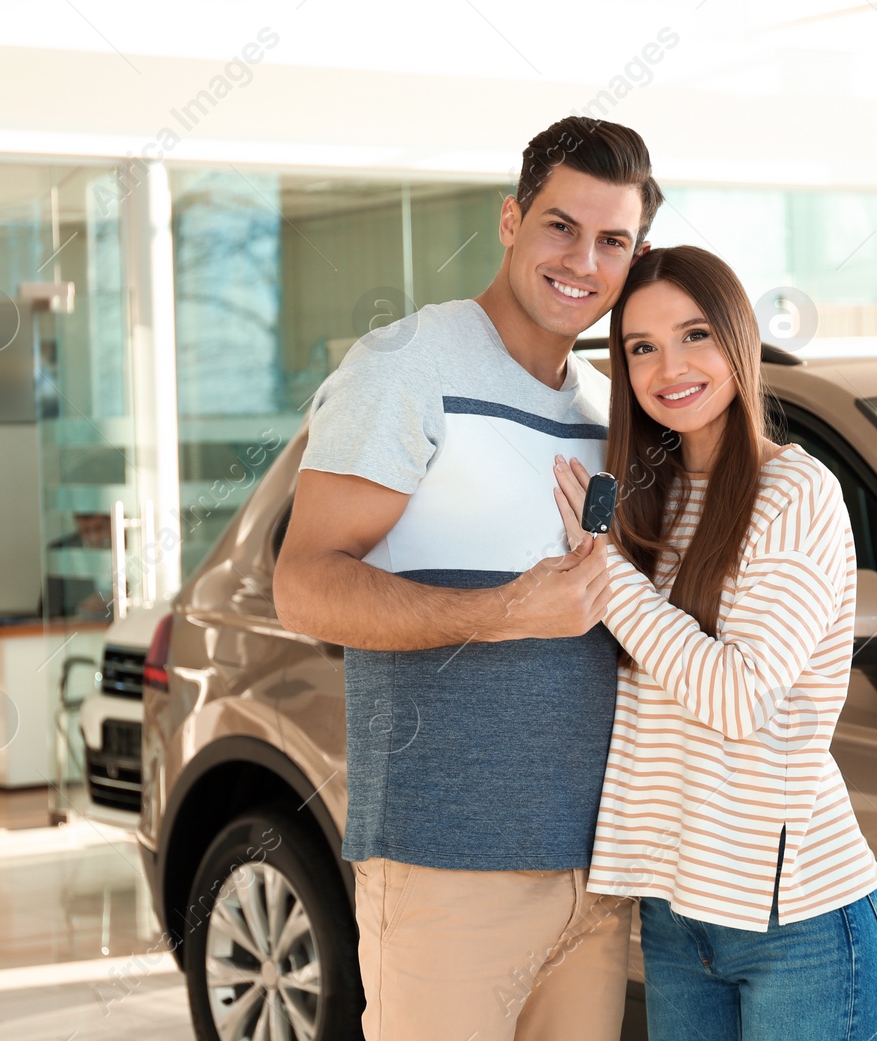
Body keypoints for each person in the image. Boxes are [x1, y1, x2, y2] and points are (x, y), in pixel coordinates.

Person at [272, 117, 662, 1041]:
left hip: (592, 881)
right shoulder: (411, 367)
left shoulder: (609, 410)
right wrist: (502, 610)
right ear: (510, 219)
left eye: (613, 241)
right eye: (560, 226)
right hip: (446, 871)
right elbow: (304, 585)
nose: (583, 261)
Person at [552, 245, 877, 1040]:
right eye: (642, 346)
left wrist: (604, 573)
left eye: (695, 334)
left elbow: (740, 697)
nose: (669, 366)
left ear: (737, 337)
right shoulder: (647, 499)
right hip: (679, 912)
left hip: (803, 924)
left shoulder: (797, 492)